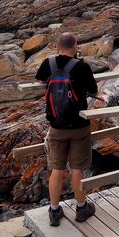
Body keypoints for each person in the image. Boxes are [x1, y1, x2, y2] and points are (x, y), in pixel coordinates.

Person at [35, 32, 98, 226]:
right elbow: (94, 90)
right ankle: (81, 208)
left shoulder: (48, 64)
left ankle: (54, 211)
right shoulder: (82, 67)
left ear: (57, 47)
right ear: (76, 45)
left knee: (56, 168)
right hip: (79, 126)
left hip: (56, 126)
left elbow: (39, 81)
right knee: (77, 168)